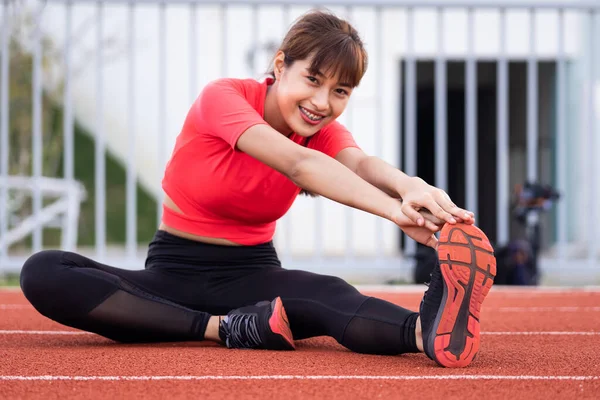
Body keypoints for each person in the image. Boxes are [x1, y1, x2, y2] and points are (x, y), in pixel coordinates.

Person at [19, 9, 496, 368]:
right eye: (313, 79)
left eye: (340, 92)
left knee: (330, 295)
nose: (321, 103)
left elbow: (361, 164)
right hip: (172, 274)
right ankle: (223, 329)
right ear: (280, 64)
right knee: (44, 271)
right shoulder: (223, 98)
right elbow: (298, 164)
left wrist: (410, 188)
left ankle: (427, 332)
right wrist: (395, 213)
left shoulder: (319, 133)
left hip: (253, 279)